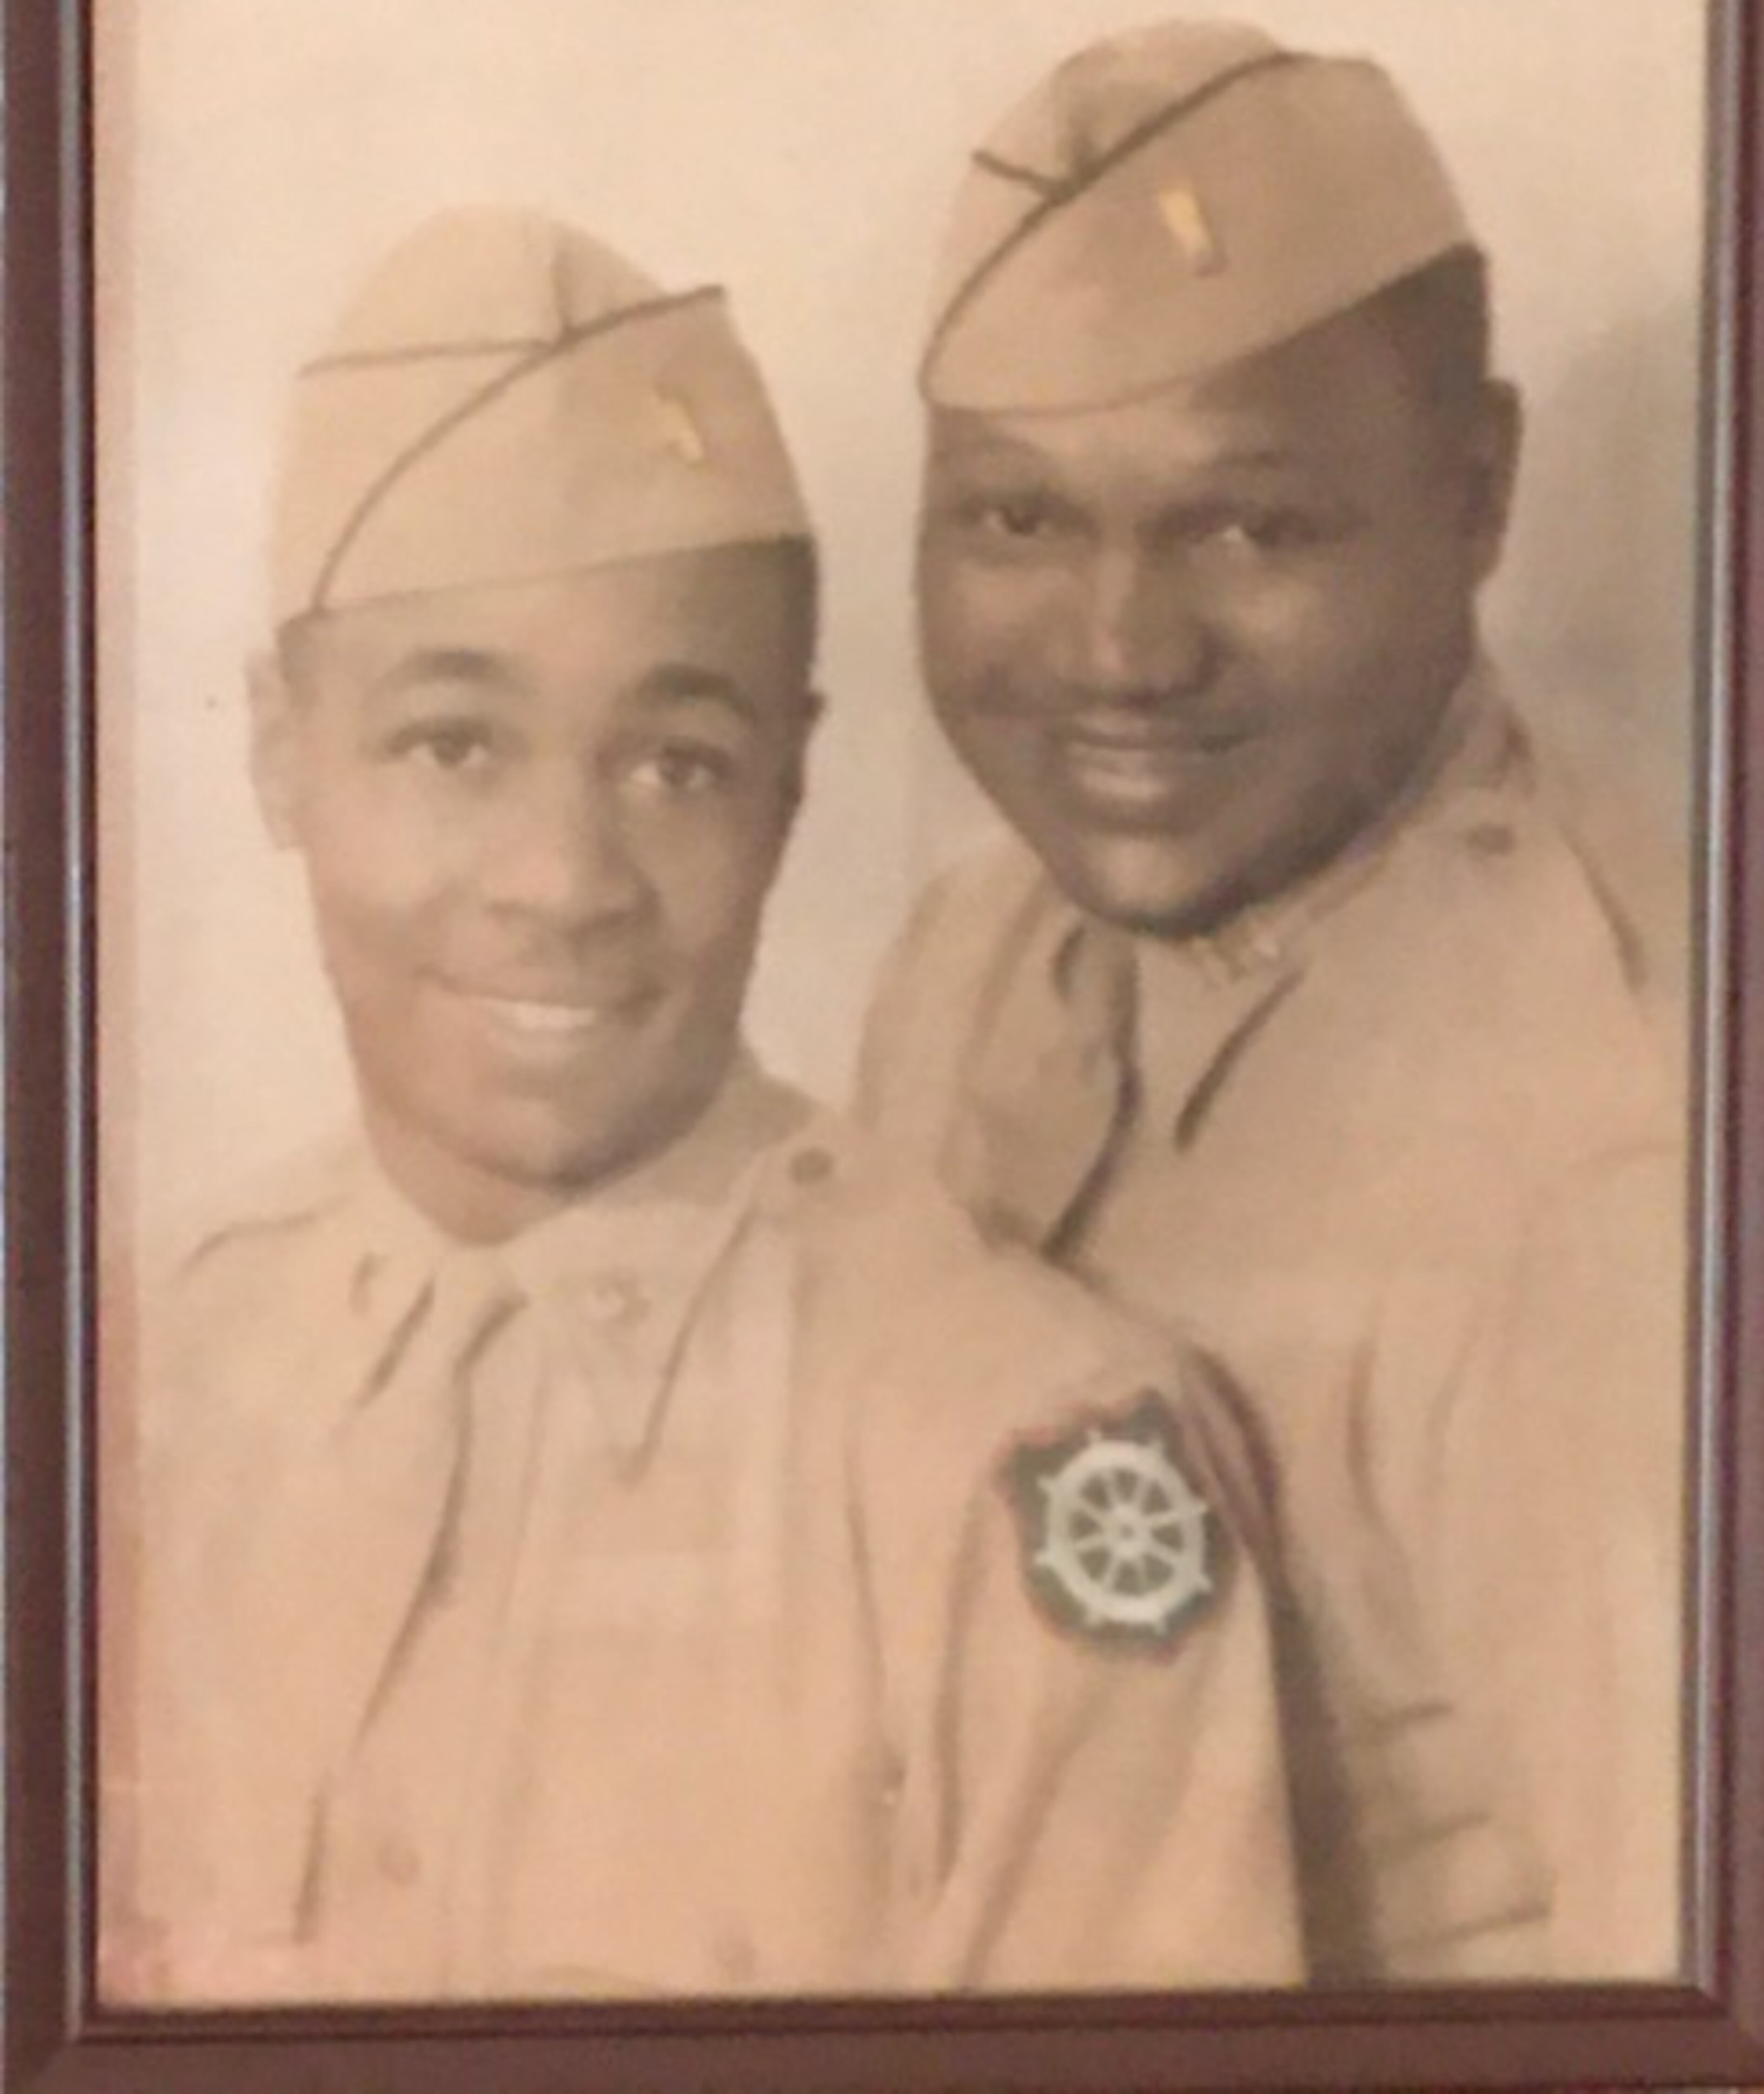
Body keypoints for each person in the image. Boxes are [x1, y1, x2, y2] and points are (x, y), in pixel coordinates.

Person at [101, 205, 1304, 2007]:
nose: (563, 879)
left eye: (678, 764)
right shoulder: (139, 1377)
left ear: (789, 785)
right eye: (454, 744)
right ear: (283, 751)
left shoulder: (1010, 1449)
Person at [859, 22, 1689, 1983]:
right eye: (1018, 518)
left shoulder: (1618, 1144)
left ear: (1477, 493)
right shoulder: (972, 952)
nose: (1120, 652)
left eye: (1248, 526)